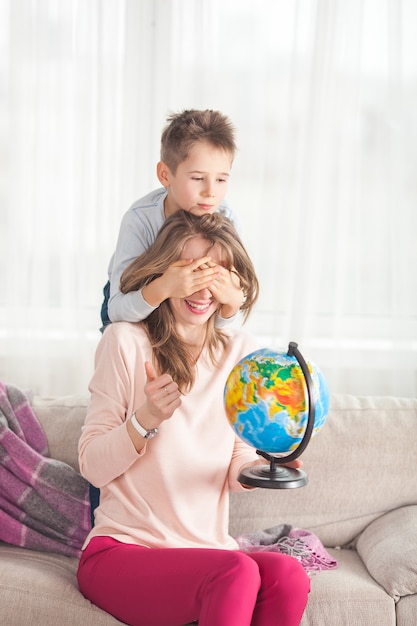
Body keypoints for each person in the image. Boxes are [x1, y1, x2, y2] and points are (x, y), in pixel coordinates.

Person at [78, 211, 310, 626]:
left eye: (217, 274)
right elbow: (93, 466)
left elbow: (235, 465)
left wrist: (267, 465)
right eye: (192, 270)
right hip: (123, 553)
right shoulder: (125, 341)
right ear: (166, 272)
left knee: (288, 576)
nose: (203, 288)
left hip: (208, 554)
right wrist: (144, 418)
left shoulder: (240, 351)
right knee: (236, 570)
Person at [101, 108, 244, 329]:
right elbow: (118, 309)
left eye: (221, 180)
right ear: (165, 175)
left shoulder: (227, 219)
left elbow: (225, 316)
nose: (210, 192)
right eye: (198, 178)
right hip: (139, 304)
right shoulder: (140, 220)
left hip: (192, 312)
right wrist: (165, 287)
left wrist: (231, 302)